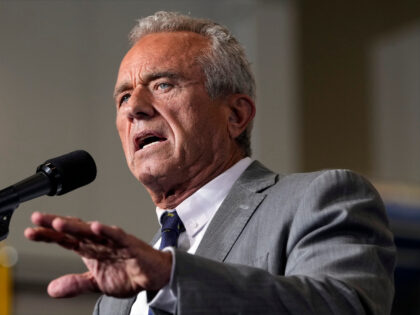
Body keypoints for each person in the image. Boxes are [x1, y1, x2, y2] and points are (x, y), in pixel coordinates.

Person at [24, 11, 396, 315]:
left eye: (163, 85)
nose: (134, 107)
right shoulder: (116, 296)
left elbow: (343, 306)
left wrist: (173, 278)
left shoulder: (321, 199)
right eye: (123, 97)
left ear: (236, 115)